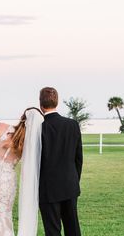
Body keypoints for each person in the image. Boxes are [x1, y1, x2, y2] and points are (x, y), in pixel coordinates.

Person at [0, 107, 44, 236]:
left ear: (22, 117)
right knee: (4, 214)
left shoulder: (1, 127)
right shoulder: (27, 145)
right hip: (8, 180)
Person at [38, 87, 83, 236]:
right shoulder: (73, 125)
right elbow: (78, 158)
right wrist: (74, 180)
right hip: (70, 185)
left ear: (40, 104)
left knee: (52, 231)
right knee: (73, 229)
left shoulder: (39, 128)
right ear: (57, 102)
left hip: (47, 188)